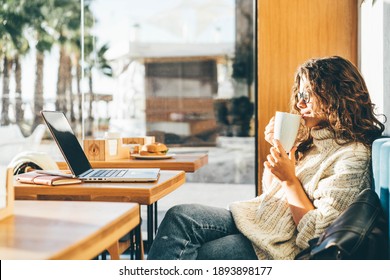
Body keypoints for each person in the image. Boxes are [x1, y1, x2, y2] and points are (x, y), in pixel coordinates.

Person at [147, 56, 385, 260]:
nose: (300, 103)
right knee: (179, 216)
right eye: (300, 93)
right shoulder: (314, 140)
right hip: (263, 223)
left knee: (204, 254)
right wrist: (280, 148)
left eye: (309, 95)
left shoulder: (352, 157)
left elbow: (317, 234)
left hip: (282, 246)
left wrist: (290, 180)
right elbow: (269, 192)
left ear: (336, 96)